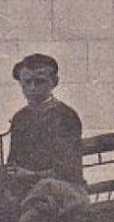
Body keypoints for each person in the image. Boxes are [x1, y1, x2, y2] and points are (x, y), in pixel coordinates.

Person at [7, 52, 84, 186]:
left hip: (61, 190)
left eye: (40, 82)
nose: (32, 88)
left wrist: (29, 176)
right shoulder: (20, 118)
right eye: (27, 82)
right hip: (26, 188)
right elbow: (13, 161)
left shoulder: (66, 116)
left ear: (54, 82)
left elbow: (68, 171)